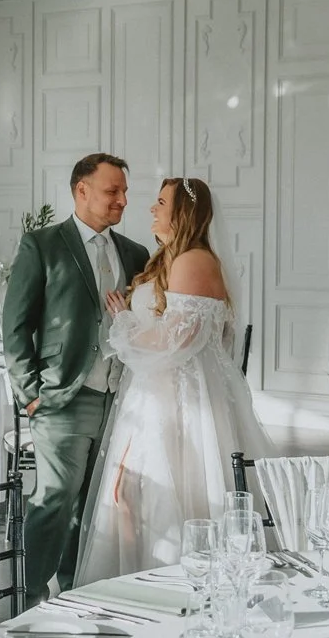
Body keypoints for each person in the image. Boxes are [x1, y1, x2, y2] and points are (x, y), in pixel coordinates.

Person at [75, 176, 270, 583]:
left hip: (178, 403)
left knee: (155, 497)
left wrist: (124, 323)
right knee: (131, 495)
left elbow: (177, 339)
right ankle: (138, 580)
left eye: (161, 202)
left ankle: (168, 583)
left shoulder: (193, 260)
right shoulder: (172, 259)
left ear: (181, 213)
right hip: (156, 395)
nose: (151, 208)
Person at [1, 153, 149, 605]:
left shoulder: (135, 253)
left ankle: (71, 599)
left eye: (124, 191)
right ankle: (24, 603)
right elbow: (14, 324)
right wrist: (30, 394)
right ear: (80, 190)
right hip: (62, 395)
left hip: (118, 398)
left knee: (91, 504)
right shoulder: (42, 245)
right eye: (112, 191)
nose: (122, 200)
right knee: (54, 499)